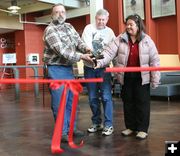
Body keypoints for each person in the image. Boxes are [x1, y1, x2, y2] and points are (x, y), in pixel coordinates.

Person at [95, 14, 160, 139]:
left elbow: (155, 61)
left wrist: (155, 79)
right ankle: (130, 127)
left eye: (131, 24)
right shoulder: (120, 38)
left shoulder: (147, 40)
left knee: (142, 103)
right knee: (128, 102)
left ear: (138, 26)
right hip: (126, 76)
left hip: (142, 77)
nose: (128, 27)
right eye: (127, 24)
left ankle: (142, 129)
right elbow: (108, 52)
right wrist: (98, 62)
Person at [43, 3, 93, 142]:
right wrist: (81, 56)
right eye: (57, 12)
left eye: (62, 12)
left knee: (71, 101)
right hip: (56, 69)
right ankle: (62, 132)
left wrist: (86, 49)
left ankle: (71, 128)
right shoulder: (50, 30)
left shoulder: (70, 27)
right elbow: (62, 51)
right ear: (52, 15)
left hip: (69, 69)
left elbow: (78, 41)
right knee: (60, 103)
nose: (60, 14)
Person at [81, 9, 116, 136]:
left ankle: (108, 125)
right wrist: (94, 58)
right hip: (89, 67)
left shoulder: (110, 32)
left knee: (106, 97)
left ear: (107, 19)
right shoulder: (88, 28)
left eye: (103, 19)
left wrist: (115, 67)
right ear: (95, 18)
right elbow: (86, 45)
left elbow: (113, 50)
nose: (101, 22)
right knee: (92, 97)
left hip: (104, 69)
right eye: (99, 19)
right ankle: (96, 122)